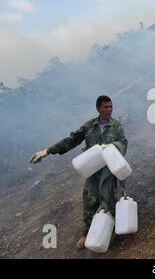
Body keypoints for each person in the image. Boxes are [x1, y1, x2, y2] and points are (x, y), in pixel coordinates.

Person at [30, 96, 128, 249]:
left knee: (110, 199)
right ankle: (88, 232)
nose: (109, 110)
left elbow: (123, 143)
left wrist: (110, 146)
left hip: (109, 171)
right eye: (105, 107)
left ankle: (110, 231)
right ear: (98, 109)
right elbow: (71, 140)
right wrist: (48, 151)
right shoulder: (89, 126)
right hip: (92, 170)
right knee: (89, 201)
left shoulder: (116, 126)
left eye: (110, 107)